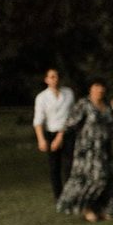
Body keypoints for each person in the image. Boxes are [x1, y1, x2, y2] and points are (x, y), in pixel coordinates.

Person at [56, 79, 113, 221]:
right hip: (87, 151)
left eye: (102, 87)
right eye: (96, 86)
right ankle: (86, 208)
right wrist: (59, 138)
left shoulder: (107, 106)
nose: (100, 89)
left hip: (104, 150)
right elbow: (70, 122)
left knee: (107, 180)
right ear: (91, 89)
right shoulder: (83, 104)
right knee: (93, 179)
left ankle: (105, 209)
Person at [33, 68, 76, 200]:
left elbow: (72, 115)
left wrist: (62, 134)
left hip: (67, 133)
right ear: (46, 80)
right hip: (51, 133)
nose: (55, 79)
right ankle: (59, 196)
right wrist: (41, 139)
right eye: (51, 77)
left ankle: (71, 193)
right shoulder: (42, 97)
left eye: (56, 77)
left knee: (69, 164)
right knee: (54, 167)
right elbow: (38, 120)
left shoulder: (68, 93)